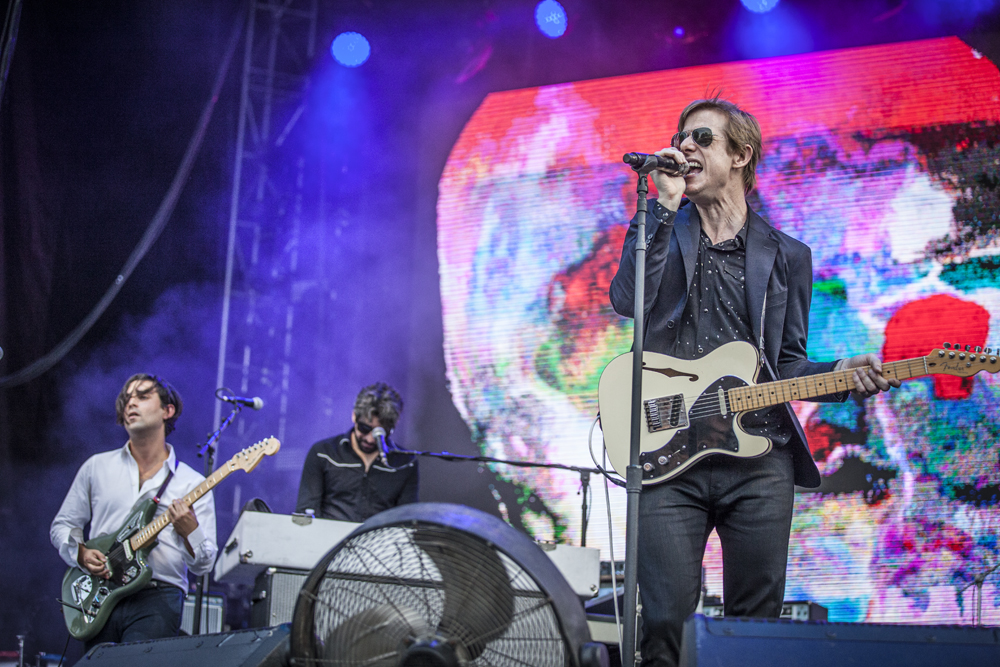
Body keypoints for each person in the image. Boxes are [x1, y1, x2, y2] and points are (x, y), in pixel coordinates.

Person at [608, 97, 899, 667]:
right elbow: (627, 301)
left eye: (701, 138)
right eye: (681, 137)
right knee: (664, 622)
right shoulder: (663, 229)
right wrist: (662, 211)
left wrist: (839, 376)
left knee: (755, 626)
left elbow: (786, 364)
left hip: (759, 459)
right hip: (670, 455)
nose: (685, 147)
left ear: (741, 154)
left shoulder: (788, 257)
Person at [50, 374, 218, 647]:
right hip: (101, 593)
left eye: (142, 396)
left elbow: (204, 564)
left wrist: (191, 532)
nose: (130, 403)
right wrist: (80, 552)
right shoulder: (96, 467)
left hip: (158, 596)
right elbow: (62, 525)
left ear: (168, 410)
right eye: (126, 398)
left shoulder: (191, 483)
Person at [295, 382, 418, 523]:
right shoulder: (323, 453)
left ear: (392, 428)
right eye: (365, 428)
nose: (370, 439)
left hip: (380, 543)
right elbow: (305, 512)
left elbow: (407, 521)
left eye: (380, 433)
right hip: (330, 542)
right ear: (354, 416)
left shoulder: (406, 463)